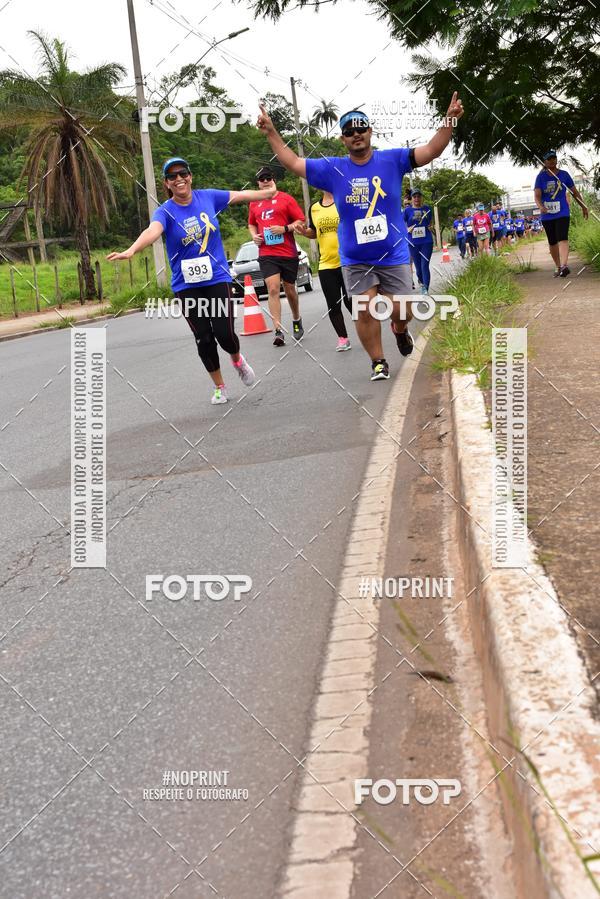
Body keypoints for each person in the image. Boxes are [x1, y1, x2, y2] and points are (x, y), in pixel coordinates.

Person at [257, 94, 465, 381]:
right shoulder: (333, 169)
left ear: (370, 132)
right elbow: (293, 162)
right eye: (349, 131)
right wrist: (271, 133)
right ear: (343, 139)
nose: (356, 134)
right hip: (355, 259)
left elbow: (431, 150)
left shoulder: (393, 160)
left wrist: (450, 119)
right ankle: (378, 361)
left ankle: (400, 330)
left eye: (361, 128)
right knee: (364, 310)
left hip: (393, 255)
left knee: (403, 309)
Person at [107, 156, 272, 406]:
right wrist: (132, 250)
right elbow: (152, 231)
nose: (179, 179)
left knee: (224, 333)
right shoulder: (165, 211)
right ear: (167, 184)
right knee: (204, 337)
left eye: (182, 173)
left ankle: (237, 360)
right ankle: (219, 386)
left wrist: (267, 193)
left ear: (190, 176)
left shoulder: (208, 197)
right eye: (172, 176)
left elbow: (239, 195)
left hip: (216, 278)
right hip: (187, 286)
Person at [248, 166, 306, 346]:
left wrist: (285, 228)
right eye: (262, 179)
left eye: (268, 178)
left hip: (287, 252)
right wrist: (254, 235)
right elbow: (251, 224)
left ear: (274, 180)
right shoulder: (253, 203)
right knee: (273, 288)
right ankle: (278, 330)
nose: (265, 181)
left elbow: (300, 221)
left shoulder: (286, 199)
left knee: (290, 289)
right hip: (267, 253)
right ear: (258, 183)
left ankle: (296, 319)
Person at [297, 191, 352, 350]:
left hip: (347, 262)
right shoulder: (314, 208)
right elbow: (313, 232)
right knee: (333, 305)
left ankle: (366, 330)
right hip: (326, 265)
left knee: (352, 302)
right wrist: (304, 232)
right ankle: (343, 338)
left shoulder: (344, 200)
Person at [534, 150, 589, 277]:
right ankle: (558, 266)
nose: (552, 161)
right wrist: (541, 206)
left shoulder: (564, 175)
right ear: (545, 162)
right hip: (547, 214)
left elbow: (575, 193)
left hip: (562, 212)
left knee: (562, 237)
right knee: (552, 241)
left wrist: (583, 206)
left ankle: (564, 266)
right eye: (549, 159)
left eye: (554, 158)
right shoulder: (540, 177)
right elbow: (537, 196)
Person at [404, 188, 434, 293]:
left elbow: (430, 223)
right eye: (414, 196)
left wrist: (430, 227)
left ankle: (425, 289)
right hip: (413, 243)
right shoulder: (407, 211)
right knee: (418, 268)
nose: (417, 198)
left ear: (421, 198)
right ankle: (421, 282)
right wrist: (407, 229)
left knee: (424, 265)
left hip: (426, 241)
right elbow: (401, 225)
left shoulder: (427, 209)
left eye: (418, 196)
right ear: (411, 199)